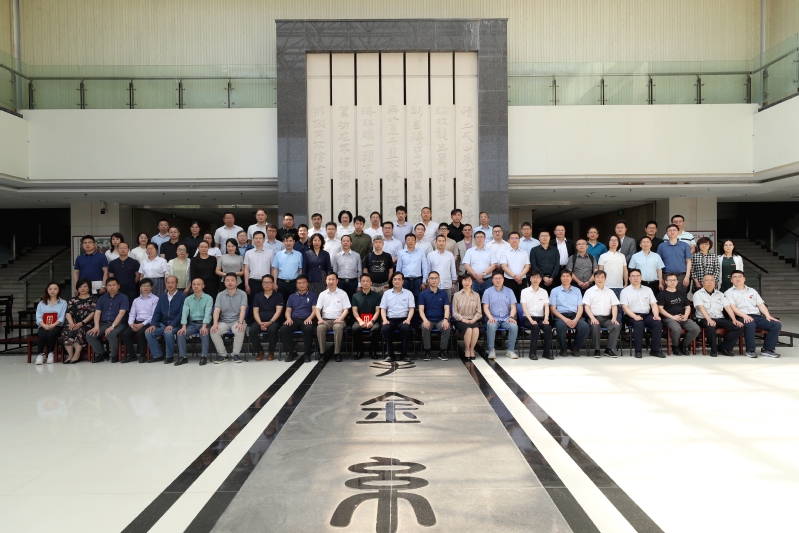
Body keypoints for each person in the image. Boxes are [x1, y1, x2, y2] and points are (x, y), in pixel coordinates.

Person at [726, 270, 781, 358]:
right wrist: (745, 316)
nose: (737, 279)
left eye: (740, 277)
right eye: (735, 277)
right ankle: (750, 350)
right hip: (741, 316)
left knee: (776, 324)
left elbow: (761, 304)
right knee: (750, 324)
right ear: (731, 280)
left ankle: (767, 350)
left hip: (756, 316)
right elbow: (733, 308)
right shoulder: (729, 292)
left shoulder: (752, 291)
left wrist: (768, 316)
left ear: (744, 279)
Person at [693, 273, 742, 357]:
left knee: (738, 326)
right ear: (702, 283)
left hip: (719, 318)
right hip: (704, 319)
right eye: (707, 280)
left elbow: (727, 307)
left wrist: (734, 319)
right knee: (710, 326)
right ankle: (713, 350)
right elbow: (701, 307)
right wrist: (709, 319)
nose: (709, 282)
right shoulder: (698, 294)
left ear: (715, 283)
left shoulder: (720, 294)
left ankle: (724, 348)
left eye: (711, 280)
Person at [620, 269, 663, 358]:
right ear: (629, 278)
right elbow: (625, 307)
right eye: (633, 276)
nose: (636, 278)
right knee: (639, 324)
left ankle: (655, 350)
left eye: (638, 276)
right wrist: (635, 316)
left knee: (657, 323)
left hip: (646, 315)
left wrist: (656, 314)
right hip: (631, 315)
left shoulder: (648, 289)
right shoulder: (625, 291)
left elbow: (654, 304)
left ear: (641, 277)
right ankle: (638, 351)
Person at [145, 275, 187, 364]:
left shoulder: (182, 296)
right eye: (168, 283)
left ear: (177, 284)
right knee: (148, 332)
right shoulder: (162, 297)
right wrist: (153, 324)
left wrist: (172, 325)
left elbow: (182, 313)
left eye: (172, 283)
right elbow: (157, 312)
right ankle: (158, 355)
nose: (170, 285)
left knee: (168, 333)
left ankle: (169, 356)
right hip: (163, 324)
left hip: (176, 324)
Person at [85, 278, 129, 363]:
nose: (111, 287)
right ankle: (102, 353)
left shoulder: (123, 297)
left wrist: (113, 326)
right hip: (103, 324)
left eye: (114, 285)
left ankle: (114, 355)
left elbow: (122, 313)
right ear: (106, 287)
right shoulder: (102, 298)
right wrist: (96, 326)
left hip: (119, 324)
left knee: (111, 334)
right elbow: (97, 313)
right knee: (90, 335)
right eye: (109, 285)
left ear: (118, 286)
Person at [657, 272, 700, 356]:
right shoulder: (661, 294)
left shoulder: (681, 293)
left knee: (696, 329)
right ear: (665, 282)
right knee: (677, 329)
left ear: (677, 282)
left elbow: (687, 307)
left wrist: (686, 316)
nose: (672, 282)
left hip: (682, 317)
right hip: (668, 318)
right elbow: (660, 309)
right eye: (670, 280)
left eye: (674, 280)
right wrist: (673, 317)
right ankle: (675, 346)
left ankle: (683, 345)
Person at [549, 269, 590, 357]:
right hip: (560, 316)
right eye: (563, 276)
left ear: (571, 278)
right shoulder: (554, 291)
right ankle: (563, 348)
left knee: (585, 327)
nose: (565, 278)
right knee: (561, 327)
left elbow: (580, 308)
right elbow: (553, 309)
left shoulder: (577, 290)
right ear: (560, 278)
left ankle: (575, 347)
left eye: (568, 276)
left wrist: (575, 320)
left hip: (575, 315)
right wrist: (565, 319)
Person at [581, 271, 621, 358]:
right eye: (598, 277)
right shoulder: (589, 291)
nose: (600, 279)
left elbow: (614, 306)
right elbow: (586, 307)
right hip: (593, 317)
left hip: (606, 318)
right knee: (595, 326)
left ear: (605, 279)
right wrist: (592, 318)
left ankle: (609, 350)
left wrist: (614, 318)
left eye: (602, 277)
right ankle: (597, 350)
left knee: (616, 326)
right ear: (594, 279)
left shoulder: (610, 292)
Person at [210, 273, 248, 364]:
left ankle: (235, 354)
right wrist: (215, 323)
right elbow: (216, 310)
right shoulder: (220, 295)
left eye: (232, 280)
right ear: (224, 282)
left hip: (237, 321)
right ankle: (223, 355)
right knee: (214, 331)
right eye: (227, 280)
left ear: (237, 282)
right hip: (224, 322)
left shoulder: (242, 294)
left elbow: (243, 310)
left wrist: (240, 322)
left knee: (240, 330)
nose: (230, 282)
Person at [280, 275, 318, 363]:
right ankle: (292, 352)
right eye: (299, 283)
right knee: (283, 329)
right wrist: (288, 318)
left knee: (309, 329)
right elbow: (288, 311)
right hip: (294, 320)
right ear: (296, 285)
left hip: (307, 319)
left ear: (307, 284)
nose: (301, 285)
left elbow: (315, 310)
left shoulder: (313, 295)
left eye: (303, 283)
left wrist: (310, 318)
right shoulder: (292, 296)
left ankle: (307, 354)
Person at [482, 272, 519, 360]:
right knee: (491, 326)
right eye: (496, 278)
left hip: (506, 317)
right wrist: (490, 317)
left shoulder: (509, 291)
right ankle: (491, 350)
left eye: (500, 278)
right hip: (493, 317)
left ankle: (510, 350)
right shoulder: (488, 291)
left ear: (503, 280)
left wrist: (511, 317)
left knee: (514, 326)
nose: (498, 280)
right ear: (492, 280)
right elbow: (485, 307)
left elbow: (513, 306)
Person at [120, 278, 158, 364]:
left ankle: (143, 355)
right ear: (140, 287)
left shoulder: (155, 299)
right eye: (143, 286)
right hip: (136, 322)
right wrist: (131, 324)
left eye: (148, 286)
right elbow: (132, 313)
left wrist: (142, 324)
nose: (145, 288)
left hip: (148, 323)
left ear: (151, 287)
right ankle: (132, 355)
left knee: (140, 333)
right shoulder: (136, 300)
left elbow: (154, 315)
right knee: (125, 334)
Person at [315, 272, 351, 362]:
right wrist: (320, 319)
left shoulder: (343, 293)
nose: (331, 281)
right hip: (325, 320)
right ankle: (322, 353)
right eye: (329, 279)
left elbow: (346, 310)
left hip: (339, 320)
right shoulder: (322, 294)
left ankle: (337, 353)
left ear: (337, 281)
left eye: (333, 279)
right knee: (320, 328)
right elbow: (317, 309)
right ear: (326, 281)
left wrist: (340, 319)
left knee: (338, 327)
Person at [176, 278, 213, 365]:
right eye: (194, 284)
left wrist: (204, 326)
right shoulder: (188, 299)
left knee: (204, 333)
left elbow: (208, 313)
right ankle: (183, 357)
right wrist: (183, 326)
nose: (196, 286)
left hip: (204, 323)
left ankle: (204, 356)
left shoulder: (208, 298)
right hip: (192, 324)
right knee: (181, 333)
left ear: (203, 286)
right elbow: (184, 313)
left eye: (198, 284)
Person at [380, 272, 415, 362]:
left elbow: (411, 309)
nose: (397, 281)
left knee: (406, 328)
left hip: (403, 319)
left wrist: (408, 320)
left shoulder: (408, 293)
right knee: (385, 328)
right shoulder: (387, 293)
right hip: (390, 319)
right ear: (392, 281)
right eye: (395, 279)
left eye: (399, 279)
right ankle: (390, 355)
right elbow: (383, 309)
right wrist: (384, 320)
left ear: (403, 281)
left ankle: (404, 354)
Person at [60, 279, 96, 364]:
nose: (82, 288)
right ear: (77, 288)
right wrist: (71, 323)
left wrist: (82, 323)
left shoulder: (93, 299)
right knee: (66, 331)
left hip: (86, 324)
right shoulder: (73, 299)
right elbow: (68, 313)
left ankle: (77, 354)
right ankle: (70, 355)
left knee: (79, 330)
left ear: (89, 288)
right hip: (73, 323)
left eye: (85, 286)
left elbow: (93, 313)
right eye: (80, 287)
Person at [249, 274, 284, 361]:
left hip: (274, 321)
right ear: (262, 284)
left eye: (269, 282)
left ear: (273, 284)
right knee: (252, 331)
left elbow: (278, 311)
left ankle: (271, 351)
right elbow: (255, 312)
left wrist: (270, 322)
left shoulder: (279, 296)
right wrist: (260, 323)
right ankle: (259, 351)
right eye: (264, 282)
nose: (266, 284)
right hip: (260, 320)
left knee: (272, 330)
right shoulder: (257, 296)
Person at [418, 271, 451, 361]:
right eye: (432, 278)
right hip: (428, 320)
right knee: (424, 327)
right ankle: (427, 351)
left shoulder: (443, 293)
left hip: (441, 320)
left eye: (436, 278)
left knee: (446, 327)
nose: (434, 280)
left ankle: (442, 352)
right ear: (428, 280)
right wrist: (425, 320)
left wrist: (445, 319)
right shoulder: (423, 294)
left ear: (439, 280)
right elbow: (421, 310)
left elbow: (447, 308)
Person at [519, 271, 553, 360]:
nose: (535, 279)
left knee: (548, 328)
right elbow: (524, 307)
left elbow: (546, 306)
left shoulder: (544, 292)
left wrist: (546, 318)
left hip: (540, 318)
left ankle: (546, 353)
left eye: (537, 277)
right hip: (527, 318)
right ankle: (532, 353)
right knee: (535, 327)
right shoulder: (524, 291)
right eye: (533, 277)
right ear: (530, 279)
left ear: (541, 279)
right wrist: (531, 320)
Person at [33, 282, 67, 365]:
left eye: (55, 289)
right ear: (47, 290)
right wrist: (44, 325)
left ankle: (51, 353)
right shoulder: (41, 303)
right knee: (42, 334)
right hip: (44, 325)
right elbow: (38, 317)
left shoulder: (63, 303)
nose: (52, 291)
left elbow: (62, 317)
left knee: (50, 334)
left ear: (59, 290)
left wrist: (53, 325)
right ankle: (40, 354)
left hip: (57, 326)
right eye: (50, 289)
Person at [351, 273, 382, 360]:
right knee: (355, 328)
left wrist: (372, 321)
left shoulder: (376, 296)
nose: (365, 283)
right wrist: (360, 321)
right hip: (359, 319)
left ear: (371, 283)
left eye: (367, 281)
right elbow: (354, 310)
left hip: (373, 320)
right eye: (363, 281)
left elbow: (378, 311)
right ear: (360, 282)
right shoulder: (355, 296)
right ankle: (359, 350)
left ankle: (373, 351)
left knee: (376, 328)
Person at [452, 275, 482, 360]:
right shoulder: (457, 295)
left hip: (473, 319)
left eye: (469, 280)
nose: (467, 282)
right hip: (460, 320)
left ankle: (472, 349)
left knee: (475, 329)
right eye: (465, 280)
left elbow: (479, 311)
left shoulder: (476, 295)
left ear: (472, 282)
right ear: (461, 282)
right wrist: (463, 319)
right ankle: (467, 349)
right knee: (468, 329)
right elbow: (454, 312)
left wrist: (474, 319)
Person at [243, 231, 276, 304]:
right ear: (253, 239)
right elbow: (246, 270)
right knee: (253, 303)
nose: (258, 240)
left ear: (264, 240)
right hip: (253, 282)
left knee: (266, 303)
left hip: (267, 283)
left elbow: (272, 269)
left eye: (260, 238)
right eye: (256, 238)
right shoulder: (248, 253)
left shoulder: (270, 252)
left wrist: (273, 283)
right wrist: (246, 284)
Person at [657, 224, 692, 291]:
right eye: (670, 230)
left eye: (674, 230)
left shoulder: (685, 245)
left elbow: (688, 261)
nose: (672, 232)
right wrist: (660, 279)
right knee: (667, 296)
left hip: (681, 276)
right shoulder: (662, 246)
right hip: (666, 276)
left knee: (681, 296)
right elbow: (659, 264)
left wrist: (687, 276)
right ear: (666, 233)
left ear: (678, 232)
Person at [461, 231, 496, 297]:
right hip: (473, 281)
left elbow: (493, 265)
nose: (479, 238)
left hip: (487, 280)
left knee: (487, 299)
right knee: (473, 299)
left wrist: (483, 274)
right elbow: (466, 265)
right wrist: (476, 276)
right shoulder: (469, 251)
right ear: (474, 239)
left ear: (484, 238)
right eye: (477, 237)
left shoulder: (490, 251)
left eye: (481, 237)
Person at [397, 233, 430, 302]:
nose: (410, 241)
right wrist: (399, 281)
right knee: (404, 299)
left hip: (417, 280)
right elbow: (398, 268)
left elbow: (424, 267)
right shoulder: (401, 253)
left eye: (412, 240)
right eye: (408, 240)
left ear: (415, 241)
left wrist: (424, 282)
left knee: (418, 300)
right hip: (405, 280)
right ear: (405, 242)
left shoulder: (421, 252)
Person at [272, 234, 304, 303]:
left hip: (294, 283)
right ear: (283, 242)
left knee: (294, 303)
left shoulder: (299, 254)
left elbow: (300, 270)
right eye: (286, 241)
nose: (288, 243)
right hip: (281, 283)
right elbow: (275, 269)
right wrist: (274, 283)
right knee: (281, 303)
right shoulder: (278, 254)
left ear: (294, 242)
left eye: (290, 241)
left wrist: (299, 283)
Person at [500, 231, 530, 301]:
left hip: (522, 281)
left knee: (522, 301)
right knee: (509, 301)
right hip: (509, 281)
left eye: (516, 238)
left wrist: (520, 276)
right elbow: (504, 266)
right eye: (512, 238)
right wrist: (515, 277)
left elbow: (527, 266)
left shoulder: (524, 252)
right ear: (508, 240)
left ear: (519, 240)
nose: (514, 240)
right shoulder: (504, 252)